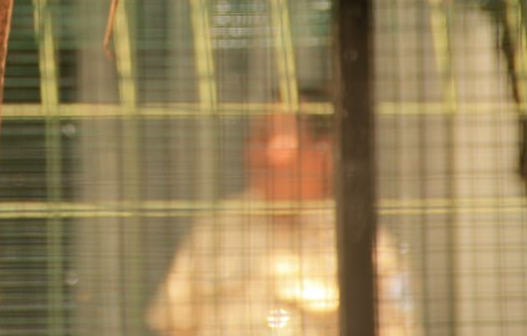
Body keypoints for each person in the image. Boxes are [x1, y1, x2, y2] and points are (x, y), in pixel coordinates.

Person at [145, 93, 422, 336]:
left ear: (322, 150)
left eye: (269, 137)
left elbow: (394, 328)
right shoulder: (218, 229)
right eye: (253, 138)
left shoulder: (361, 240)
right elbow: (174, 324)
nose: (254, 152)